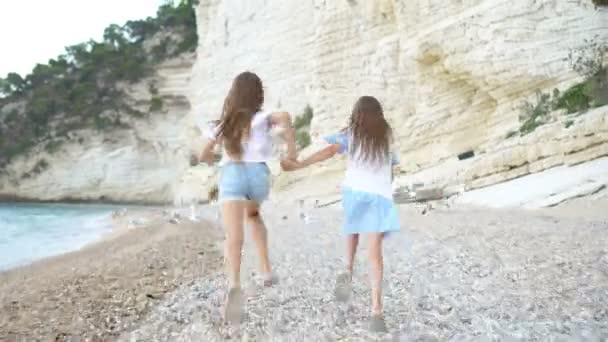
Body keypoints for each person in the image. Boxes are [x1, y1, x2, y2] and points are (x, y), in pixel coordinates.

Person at [289, 96, 400, 332]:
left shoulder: (352, 134)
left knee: (352, 230)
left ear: (357, 114)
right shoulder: (386, 136)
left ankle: (347, 269)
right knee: (375, 255)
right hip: (379, 196)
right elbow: (391, 167)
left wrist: (303, 162)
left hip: (355, 191)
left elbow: (329, 151)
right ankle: (377, 311)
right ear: (379, 114)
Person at [198, 71, 298, 323]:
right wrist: (291, 150)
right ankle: (265, 271)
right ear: (258, 94)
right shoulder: (264, 118)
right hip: (258, 176)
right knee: (253, 216)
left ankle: (234, 284)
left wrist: (211, 158)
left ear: (233, 94)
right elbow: (285, 117)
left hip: (231, 173)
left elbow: (203, 154)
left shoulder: (223, 124)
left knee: (234, 236)